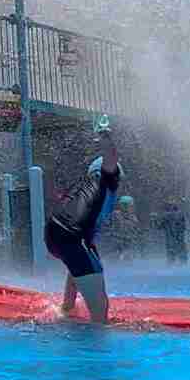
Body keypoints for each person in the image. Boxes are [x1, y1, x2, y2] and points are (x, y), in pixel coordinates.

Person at [43, 123, 124, 324]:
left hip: (54, 231)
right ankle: (97, 341)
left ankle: (66, 307)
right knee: (100, 310)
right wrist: (105, 134)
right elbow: (111, 156)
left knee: (86, 261)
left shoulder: (85, 188)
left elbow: (80, 258)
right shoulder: (105, 178)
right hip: (72, 235)